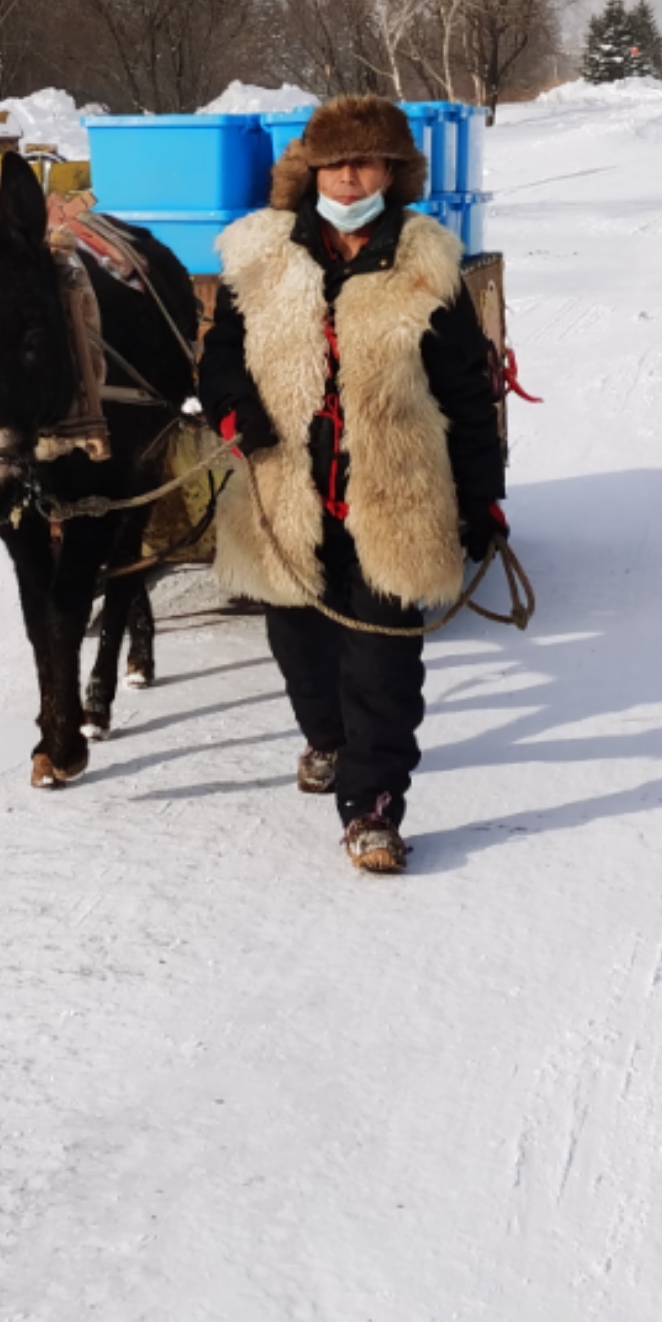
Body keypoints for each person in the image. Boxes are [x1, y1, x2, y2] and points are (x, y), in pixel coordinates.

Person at [196, 95, 506, 874]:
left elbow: (468, 392)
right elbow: (220, 360)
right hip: (282, 494)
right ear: (310, 173)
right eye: (334, 164)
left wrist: (482, 497)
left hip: (396, 498)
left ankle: (373, 809)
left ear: (394, 173)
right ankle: (327, 740)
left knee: (383, 664)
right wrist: (237, 415)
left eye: (365, 162)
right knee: (300, 644)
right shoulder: (261, 255)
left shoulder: (428, 261)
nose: (348, 178)